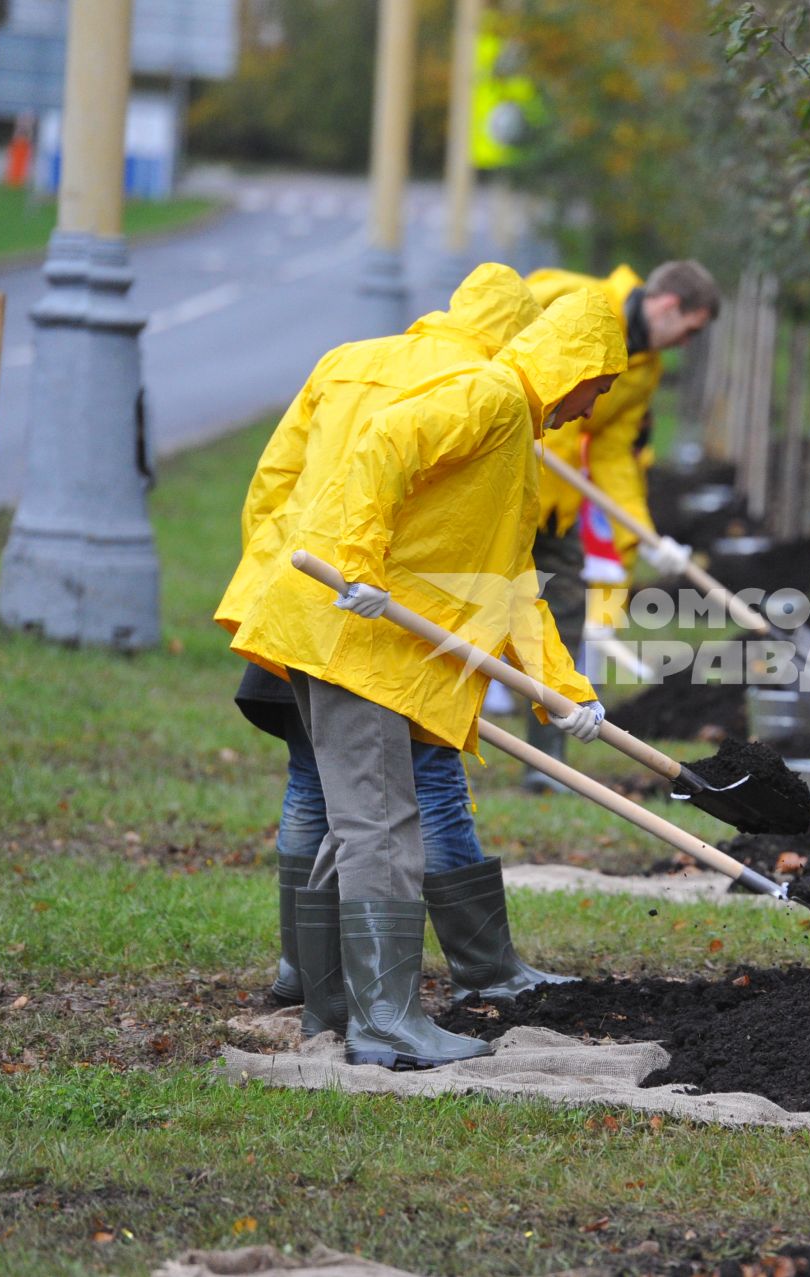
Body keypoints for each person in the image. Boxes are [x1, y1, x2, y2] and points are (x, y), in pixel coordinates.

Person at [225, 291, 626, 1069]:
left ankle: (334, 1007)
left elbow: (510, 583)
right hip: (356, 637)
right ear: (578, 365)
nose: (590, 408)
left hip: (356, 640)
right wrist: (361, 564)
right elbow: (384, 443)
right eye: (598, 388)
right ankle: (386, 1022)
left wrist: (565, 691)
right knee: (380, 823)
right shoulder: (491, 394)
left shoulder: (514, 436)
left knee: (356, 822)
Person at [520, 261, 721, 783]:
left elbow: (611, 450)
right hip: (504, 489)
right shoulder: (574, 299)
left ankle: (546, 766)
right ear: (668, 305)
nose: (685, 342)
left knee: (561, 620)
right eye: (690, 329)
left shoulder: (646, 366)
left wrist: (644, 534)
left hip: (556, 506)